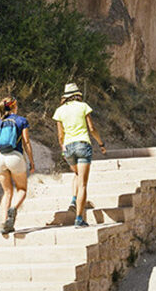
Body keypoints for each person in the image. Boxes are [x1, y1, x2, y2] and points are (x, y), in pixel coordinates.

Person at [52, 83, 106, 228]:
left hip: (68, 147)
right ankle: (79, 219)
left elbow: (60, 135)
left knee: (76, 173)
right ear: (77, 94)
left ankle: (73, 199)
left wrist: (63, 148)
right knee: (82, 183)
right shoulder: (83, 106)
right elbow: (92, 128)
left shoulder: (59, 111)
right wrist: (101, 143)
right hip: (82, 144)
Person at [0, 97, 35, 234]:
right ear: (14, 106)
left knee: (7, 191)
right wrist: (31, 162)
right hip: (15, 157)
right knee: (21, 189)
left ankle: (4, 222)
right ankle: (14, 208)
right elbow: (26, 143)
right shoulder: (22, 121)